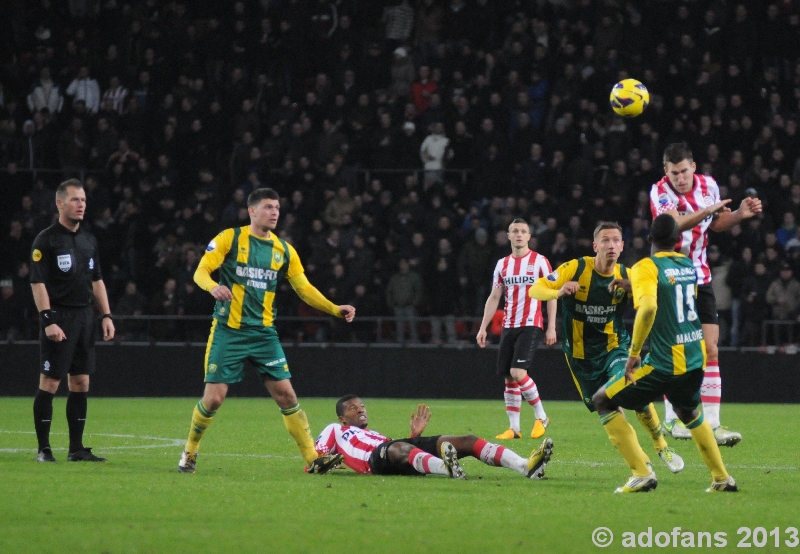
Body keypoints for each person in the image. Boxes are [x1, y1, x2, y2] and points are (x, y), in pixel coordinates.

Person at [178, 188, 356, 474]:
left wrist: (335, 308)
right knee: (213, 399)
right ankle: (190, 450)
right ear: (252, 211)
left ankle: (312, 459)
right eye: (268, 207)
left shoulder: (283, 250)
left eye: (277, 208)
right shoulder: (230, 238)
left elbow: (304, 288)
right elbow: (201, 271)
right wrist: (213, 287)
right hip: (229, 331)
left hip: (263, 334)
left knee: (287, 396)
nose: (274, 212)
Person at [592, 214, 738, 493]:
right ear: (678, 241)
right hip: (694, 358)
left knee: (603, 400)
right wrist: (634, 285)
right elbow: (671, 295)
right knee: (687, 410)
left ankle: (641, 473)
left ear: (649, 239)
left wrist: (634, 353)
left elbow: (648, 308)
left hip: (664, 363)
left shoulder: (647, 266)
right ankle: (721, 479)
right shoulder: (686, 264)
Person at [529, 221, 684, 474]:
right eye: (605, 240)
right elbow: (536, 289)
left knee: (632, 388)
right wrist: (559, 292)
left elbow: (655, 295)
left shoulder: (628, 273)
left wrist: (636, 289)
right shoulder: (576, 268)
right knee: (608, 407)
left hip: (615, 348)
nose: (611, 245)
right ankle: (641, 458)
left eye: (615, 240)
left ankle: (661, 446)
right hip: (580, 357)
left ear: (622, 246)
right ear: (595, 246)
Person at [650, 143, 762, 446]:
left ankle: (713, 424)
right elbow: (672, 225)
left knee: (711, 347)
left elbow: (716, 223)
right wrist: (707, 211)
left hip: (700, 278)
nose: (680, 178)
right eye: (674, 173)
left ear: (693, 167)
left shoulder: (709, 185)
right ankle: (673, 420)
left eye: (684, 171)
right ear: (666, 172)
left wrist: (738, 214)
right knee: (673, 349)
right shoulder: (660, 191)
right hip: (670, 277)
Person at [30, 179, 116, 463]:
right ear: (59, 203)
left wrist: (105, 315)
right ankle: (43, 449)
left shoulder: (89, 240)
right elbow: (37, 282)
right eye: (75, 200)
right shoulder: (47, 239)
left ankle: (76, 449)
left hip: (84, 317)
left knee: (80, 382)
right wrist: (48, 321)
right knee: (50, 382)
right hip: (59, 316)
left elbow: (97, 280)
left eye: (83, 201)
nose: (81, 205)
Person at [314, 395, 554, 479]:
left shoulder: (376, 435)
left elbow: (398, 459)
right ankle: (445, 467)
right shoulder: (336, 429)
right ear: (342, 417)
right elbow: (315, 459)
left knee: (467, 440)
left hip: (393, 449)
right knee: (397, 448)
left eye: (362, 406)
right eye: (353, 408)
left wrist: (414, 436)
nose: (361, 409)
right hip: (372, 462)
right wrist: (322, 462)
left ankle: (525, 466)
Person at [476, 218, 557, 440]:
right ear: (509, 236)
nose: (519, 234)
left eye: (523, 231)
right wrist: (483, 327)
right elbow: (494, 296)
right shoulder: (502, 264)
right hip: (508, 325)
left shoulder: (540, 261)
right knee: (508, 377)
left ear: (529, 237)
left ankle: (541, 416)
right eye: (515, 231)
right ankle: (514, 428)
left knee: (518, 372)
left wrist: (551, 327)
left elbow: (551, 295)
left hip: (531, 323)